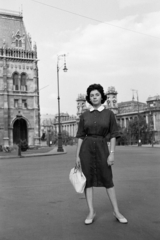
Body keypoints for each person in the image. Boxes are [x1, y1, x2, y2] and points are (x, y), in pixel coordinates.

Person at [75, 84, 128, 225]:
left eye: (97, 94)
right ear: (89, 98)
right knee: (88, 182)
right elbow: (80, 136)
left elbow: (113, 136)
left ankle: (116, 211)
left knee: (108, 180)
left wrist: (111, 154)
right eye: (92, 95)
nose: (94, 97)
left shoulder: (109, 114)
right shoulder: (84, 115)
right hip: (86, 150)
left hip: (102, 149)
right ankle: (91, 212)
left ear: (102, 96)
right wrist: (77, 156)